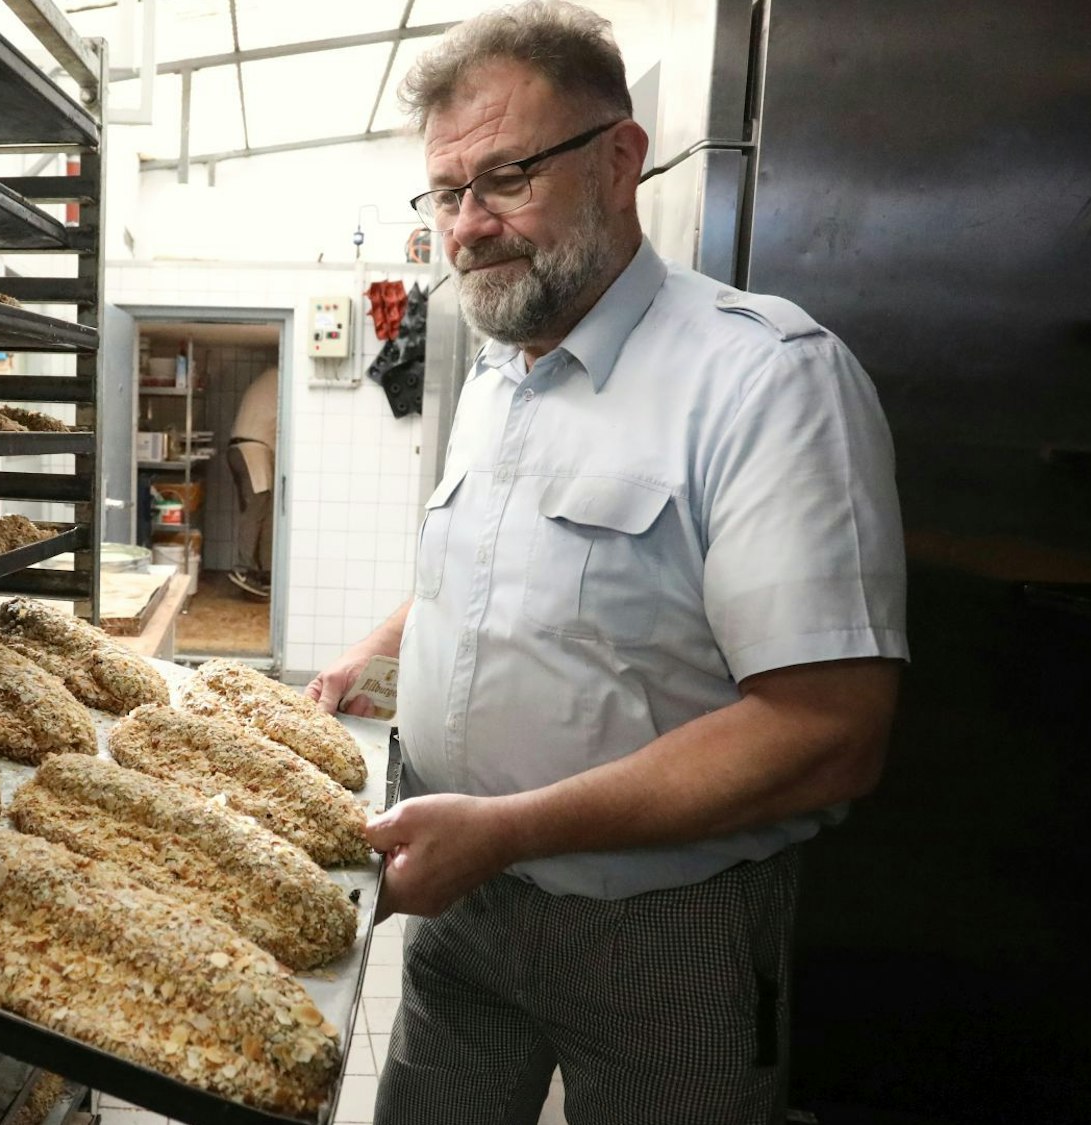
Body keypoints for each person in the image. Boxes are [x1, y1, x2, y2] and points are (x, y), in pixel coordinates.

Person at [304, 5, 908, 1123]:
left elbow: (828, 730)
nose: (468, 226)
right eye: (445, 193)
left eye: (506, 177)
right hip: (463, 909)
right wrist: (369, 659)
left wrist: (509, 827)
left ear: (620, 159)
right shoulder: (501, 376)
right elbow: (486, 578)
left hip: (666, 929)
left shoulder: (764, 381)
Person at [225, 364, 278, 599]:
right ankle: (244, 568)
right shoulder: (283, 380)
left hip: (239, 449)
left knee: (261, 510)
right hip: (253, 450)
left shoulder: (268, 377)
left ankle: (262, 571)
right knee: (257, 509)